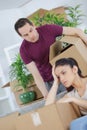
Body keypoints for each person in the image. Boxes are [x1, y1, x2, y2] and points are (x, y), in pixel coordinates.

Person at [14, 18, 87, 98]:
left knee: (77, 100)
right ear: (21, 36)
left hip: (64, 74)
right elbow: (36, 75)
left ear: (34, 25)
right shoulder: (24, 50)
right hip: (49, 82)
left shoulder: (48, 29)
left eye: (31, 30)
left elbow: (77, 31)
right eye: (26, 35)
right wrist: (45, 94)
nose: (31, 36)